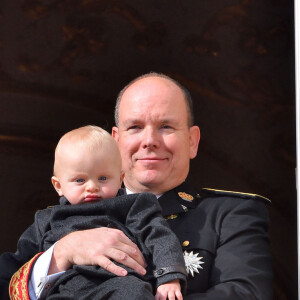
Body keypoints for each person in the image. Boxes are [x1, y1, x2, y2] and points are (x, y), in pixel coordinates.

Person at [7, 72, 273, 299]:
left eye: (166, 126)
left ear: (192, 141)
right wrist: (62, 253)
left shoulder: (232, 214)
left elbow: (246, 294)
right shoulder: (56, 219)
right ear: (115, 141)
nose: (149, 141)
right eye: (135, 127)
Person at [1, 125, 187, 300]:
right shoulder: (46, 219)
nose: (92, 187)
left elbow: (159, 237)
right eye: (80, 180)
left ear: (120, 178)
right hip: (67, 290)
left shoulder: (134, 206)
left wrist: (169, 276)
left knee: (135, 292)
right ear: (58, 186)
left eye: (103, 178)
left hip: (120, 283)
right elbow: (14, 270)